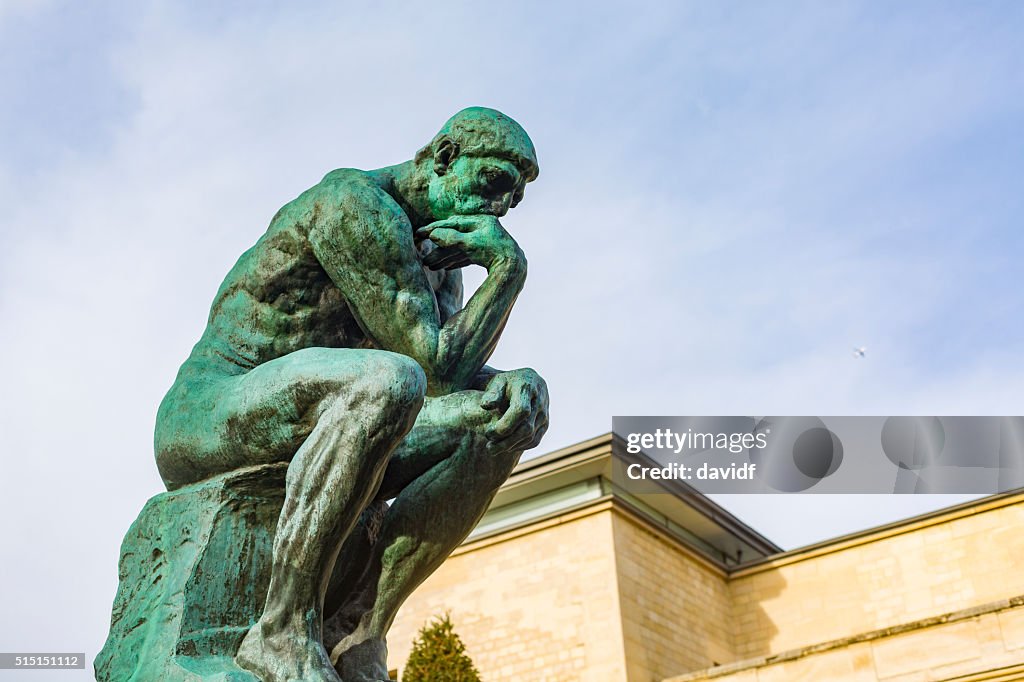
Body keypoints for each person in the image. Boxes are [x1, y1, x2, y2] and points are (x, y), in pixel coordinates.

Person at [154, 107, 550, 682]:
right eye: (490, 184)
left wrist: (513, 386)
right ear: (442, 158)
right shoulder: (354, 204)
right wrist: (509, 270)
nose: (495, 211)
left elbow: (455, 376)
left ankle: (357, 631)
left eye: (510, 202)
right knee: (391, 381)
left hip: (333, 415)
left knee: (502, 416)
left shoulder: (442, 260)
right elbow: (432, 368)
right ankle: (283, 630)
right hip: (214, 411)